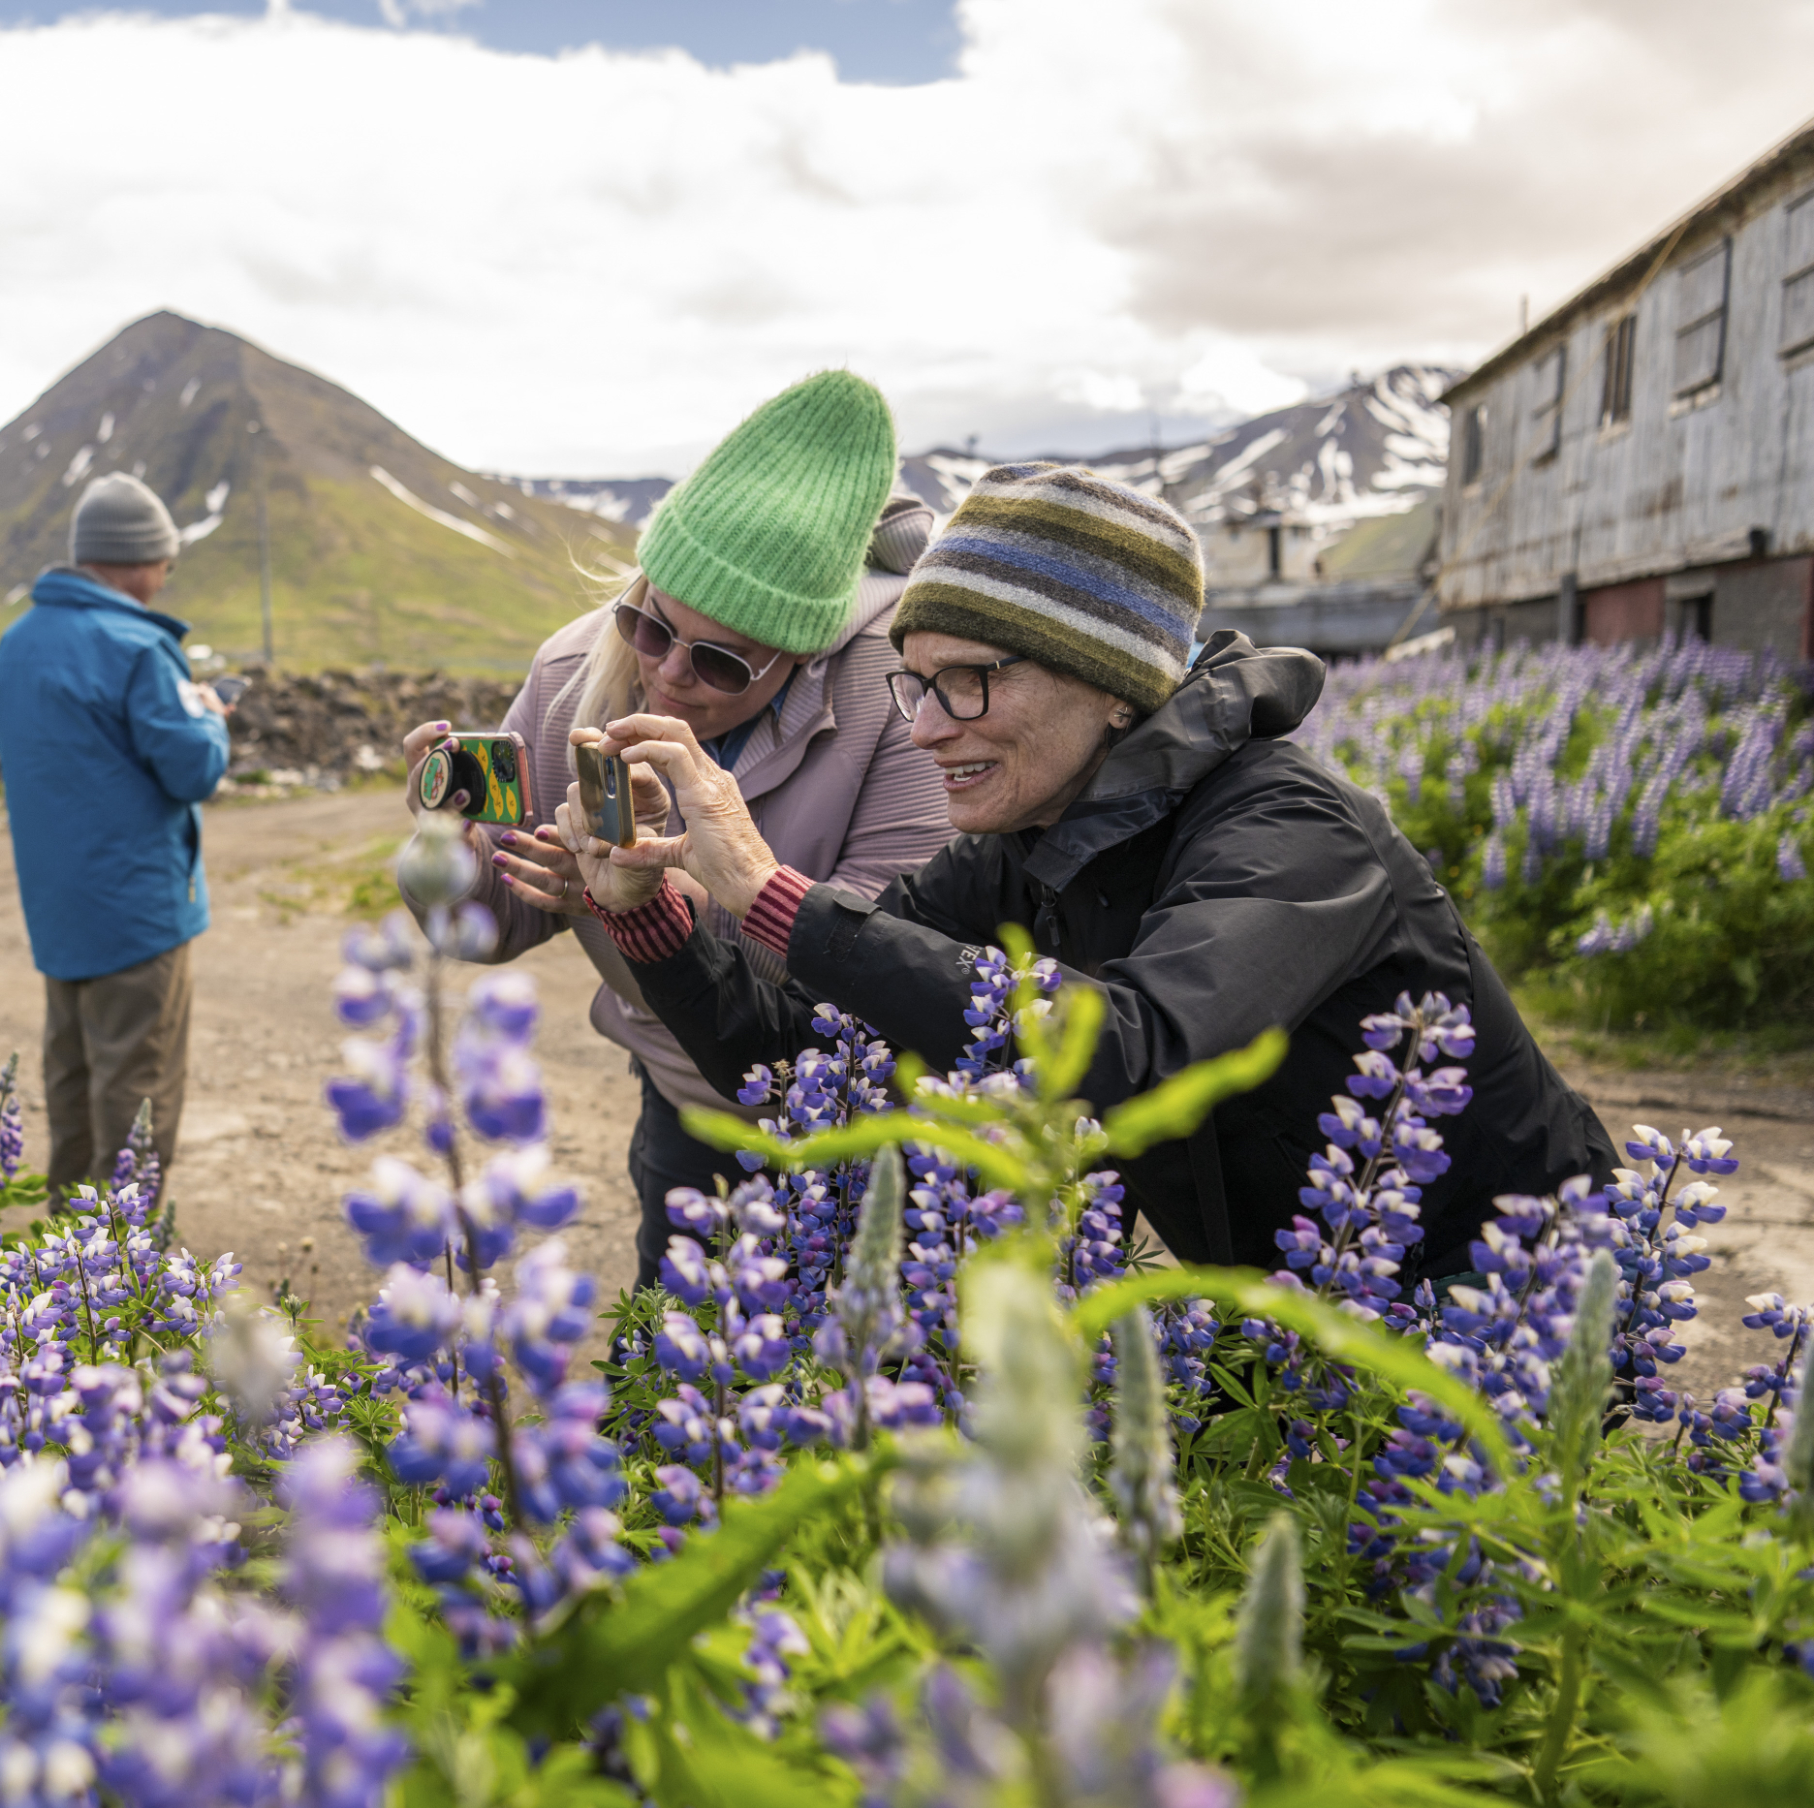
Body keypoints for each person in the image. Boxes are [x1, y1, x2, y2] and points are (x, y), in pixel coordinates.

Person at [529, 460, 1614, 1284]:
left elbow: (1137, 1046)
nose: (924, 731)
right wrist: (652, 916)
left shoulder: (1293, 828)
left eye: (970, 682)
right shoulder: (1014, 849)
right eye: (914, 684)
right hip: (1284, 1301)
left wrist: (773, 890)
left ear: (1111, 684)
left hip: (1510, 1300)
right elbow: (801, 1056)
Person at [400, 371, 954, 1286]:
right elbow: (497, 923)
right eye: (650, 625)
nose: (667, 673)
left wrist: (656, 904)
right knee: (673, 1368)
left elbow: (876, 968)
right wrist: (449, 863)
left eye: (723, 661)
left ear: (807, 650)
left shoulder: (899, 700)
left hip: (875, 1121)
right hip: (686, 1092)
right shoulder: (578, 665)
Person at [0, 471, 230, 1197]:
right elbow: (193, 771)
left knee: (72, 1074)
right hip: (139, 911)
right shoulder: (138, 648)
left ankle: (66, 1249)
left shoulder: (18, 641)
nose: (166, 577)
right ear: (138, 559)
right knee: (138, 1087)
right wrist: (210, 716)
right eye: (166, 561)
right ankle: (122, 1277)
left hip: (59, 904)